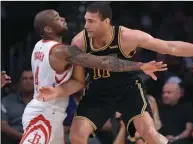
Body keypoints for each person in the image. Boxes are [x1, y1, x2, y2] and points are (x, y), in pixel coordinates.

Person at [39, 2, 193, 144]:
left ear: (106, 21)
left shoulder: (127, 37)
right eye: (86, 20)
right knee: (77, 134)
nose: (86, 25)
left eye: (91, 21)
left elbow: (169, 47)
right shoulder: (79, 42)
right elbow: (79, 82)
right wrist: (58, 91)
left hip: (128, 88)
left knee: (149, 135)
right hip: (99, 91)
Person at [19, 9, 167, 144]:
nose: (63, 18)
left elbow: (78, 82)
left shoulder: (41, 45)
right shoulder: (62, 51)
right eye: (57, 18)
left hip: (52, 113)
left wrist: (58, 91)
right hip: (43, 115)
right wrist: (139, 66)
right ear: (48, 28)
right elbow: (103, 62)